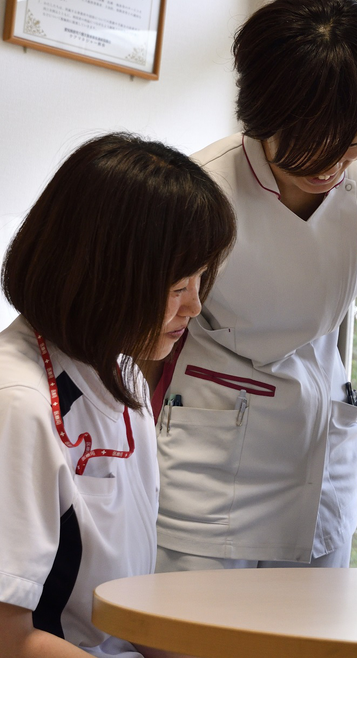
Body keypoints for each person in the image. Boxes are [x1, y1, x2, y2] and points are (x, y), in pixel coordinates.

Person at [150, 0, 357, 572]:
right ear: (260, 117)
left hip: (324, 436)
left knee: (307, 643)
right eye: (307, 142)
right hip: (210, 449)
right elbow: (147, 337)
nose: (329, 164)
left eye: (348, 141)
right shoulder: (199, 189)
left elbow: (355, 277)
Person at [0, 133, 235, 657]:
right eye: (177, 287)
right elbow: (10, 642)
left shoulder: (123, 372)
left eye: (201, 279)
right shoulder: (18, 402)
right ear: (104, 276)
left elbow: (125, 609)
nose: (194, 308)